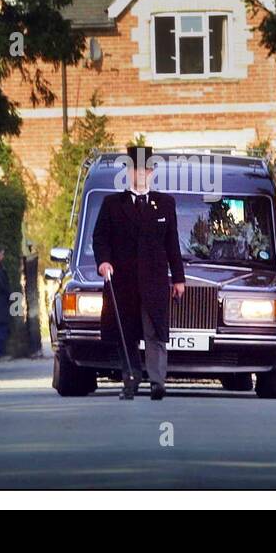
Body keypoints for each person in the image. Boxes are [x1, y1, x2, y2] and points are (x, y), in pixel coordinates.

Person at [92, 146, 186, 400]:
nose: (141, 174)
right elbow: (100, 238)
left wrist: (178, 278)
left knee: (154, 331)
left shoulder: (165, 204)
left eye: (145, 169)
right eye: (135, 169)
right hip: (123, 282)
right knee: (127, 333)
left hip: (154, 281)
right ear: (128, 172)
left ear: (152, 173)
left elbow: (172, 243)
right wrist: (104, 262)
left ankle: (157, 382)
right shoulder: (113, 204)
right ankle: (130, 381)